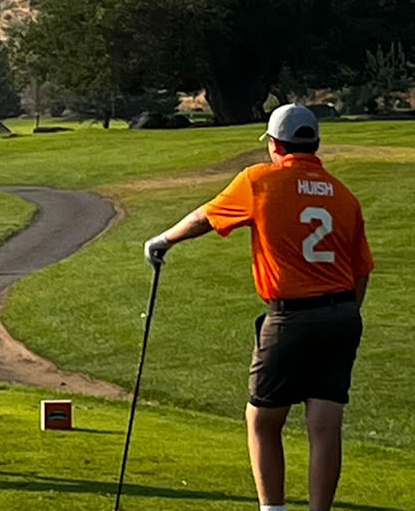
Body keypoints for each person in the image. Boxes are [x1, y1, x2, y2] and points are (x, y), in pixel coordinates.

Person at [143, 104, 372, 511]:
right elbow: (361, 272)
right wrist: (342, 314)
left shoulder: (259, 182)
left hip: (291, 316)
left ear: (275, 145)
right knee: (324, 424)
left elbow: (204, 217)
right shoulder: (343, 195)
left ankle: (273, 510)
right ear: (314, 144)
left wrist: (164, 240)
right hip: (341, 316)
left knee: (263, 421)